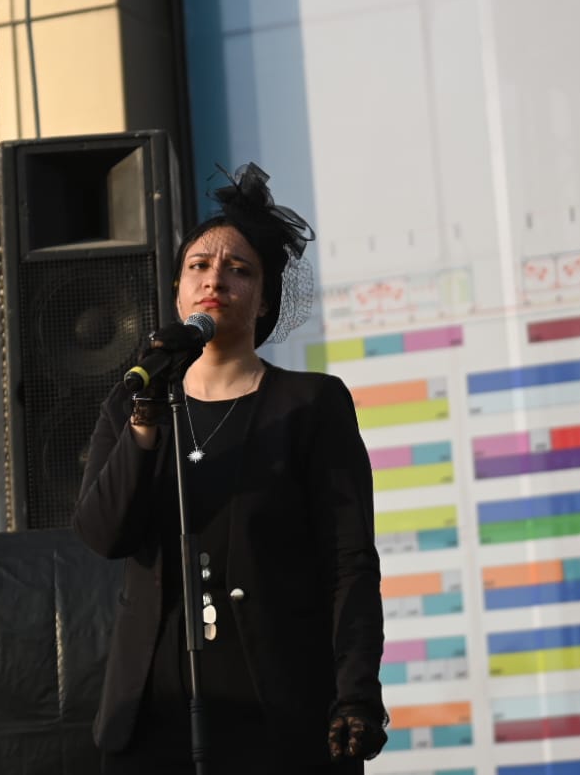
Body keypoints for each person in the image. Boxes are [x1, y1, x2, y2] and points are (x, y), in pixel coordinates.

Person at [73, 164, 388, 775]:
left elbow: (350, 563)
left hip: (279, 709)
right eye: (198, 265)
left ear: (264, 299)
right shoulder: (134, 401)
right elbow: (103, 534)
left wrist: (355, 693)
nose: (214, 277)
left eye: (239, 269)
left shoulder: (310, 404)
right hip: (153, 713)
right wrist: (145, 422)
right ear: (177, 292)